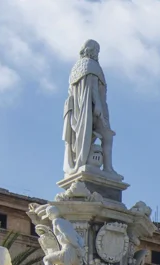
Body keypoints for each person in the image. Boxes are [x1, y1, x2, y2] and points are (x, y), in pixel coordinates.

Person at [63, 40, 115, 175]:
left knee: (101, 136)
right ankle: (108, 168)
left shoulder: (76, 68)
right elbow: (92, 88)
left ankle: (101, 166)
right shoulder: (92, 65)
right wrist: (98, 105)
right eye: (97, 50)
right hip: (91, 109)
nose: (97, 54)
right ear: (91, 50)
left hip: (79, 111)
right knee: (107, 136)